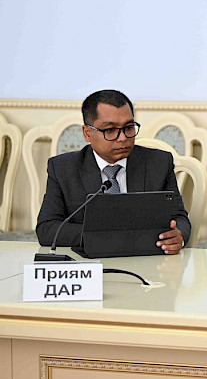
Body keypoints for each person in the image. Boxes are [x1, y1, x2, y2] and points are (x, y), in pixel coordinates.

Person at [36, 89, 190, 255]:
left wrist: (179, 236)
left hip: (147, 261)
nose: (123, 138)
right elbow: (47, 229)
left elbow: (179, 217)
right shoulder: (63, 168)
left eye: (129, 128)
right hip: (88, 262)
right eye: (110, 130)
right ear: (87, 133)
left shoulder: (159, 163)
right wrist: (107, 236)